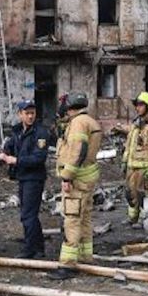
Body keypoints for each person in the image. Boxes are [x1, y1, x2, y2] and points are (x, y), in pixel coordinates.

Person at [50, 93, 102, 280]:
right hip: (88, 177)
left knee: (71, 219)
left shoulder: (78, 123)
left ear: (70, 106)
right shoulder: (89, 121)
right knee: (85, 217)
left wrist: (67, 177)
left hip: (77, 180)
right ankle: (85, 256)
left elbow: (78, 151)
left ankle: (68, 264)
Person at [0, 100, 51, 258]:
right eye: (27, 113)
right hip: (22, 176)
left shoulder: (40, 133)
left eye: (32, 113)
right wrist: (5, 151)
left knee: (28, 214)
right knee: (28, 213)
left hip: (34, 178)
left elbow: (38, 158)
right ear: (20, 114)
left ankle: (30, 249)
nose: (30, 116)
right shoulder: (18, 131)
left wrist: (16, 160)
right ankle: (38, 247)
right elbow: (10, 145)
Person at [122, 91, 148, 225]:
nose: (137, 108)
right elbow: (129, 145)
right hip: (132, 167)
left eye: (141, 105)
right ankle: (133, 219)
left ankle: (147, 221)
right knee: (131, 194)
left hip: (145, 168)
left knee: (145, 195)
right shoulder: (136, 124)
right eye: (136, 105)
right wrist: (124, 161)